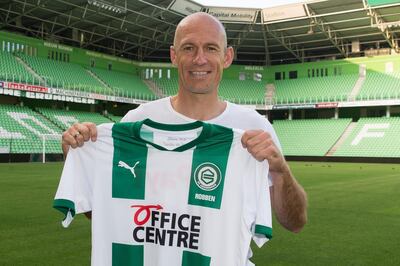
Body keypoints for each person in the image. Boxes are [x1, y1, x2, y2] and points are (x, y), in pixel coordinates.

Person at [62, 12, 307, 233]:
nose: (199, 59)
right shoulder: (137, 123)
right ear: (174, 55)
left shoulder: (254, 127)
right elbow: (107, 214)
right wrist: (77, 157)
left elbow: (295, 222)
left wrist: (280, 171)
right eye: (189, 48)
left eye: (211, 48)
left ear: (227, 56)